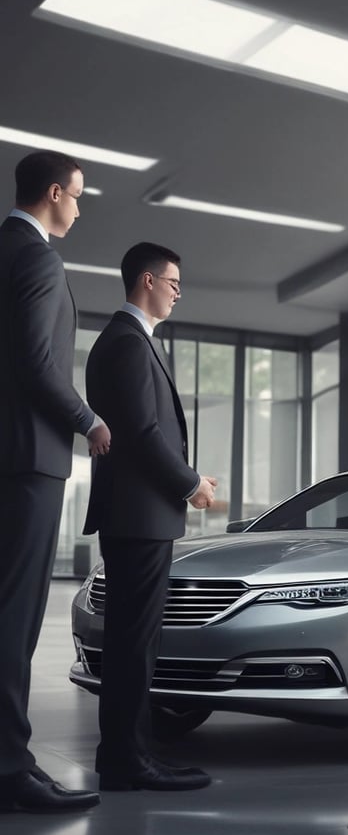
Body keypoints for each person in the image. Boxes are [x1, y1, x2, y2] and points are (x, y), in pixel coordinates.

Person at [83, 241, 217, 791]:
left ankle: (124, 755)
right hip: (140, 517)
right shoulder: (129, 343)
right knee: (134, 646)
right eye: (172, 282)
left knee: (132, 643)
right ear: (146, 281)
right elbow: (142, 434)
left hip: (136, 517)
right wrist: (191, 485)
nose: (178, 292)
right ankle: (128, 761)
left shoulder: (124, 341)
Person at [0, 150, 110, 813]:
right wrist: (89, 420)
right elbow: (39, 366)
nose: (78, 205)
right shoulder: (38, 256)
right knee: (14, 620)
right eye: (76, 194)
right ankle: (11, 770)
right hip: (28, 459)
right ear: (51, 193)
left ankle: (10, 759)